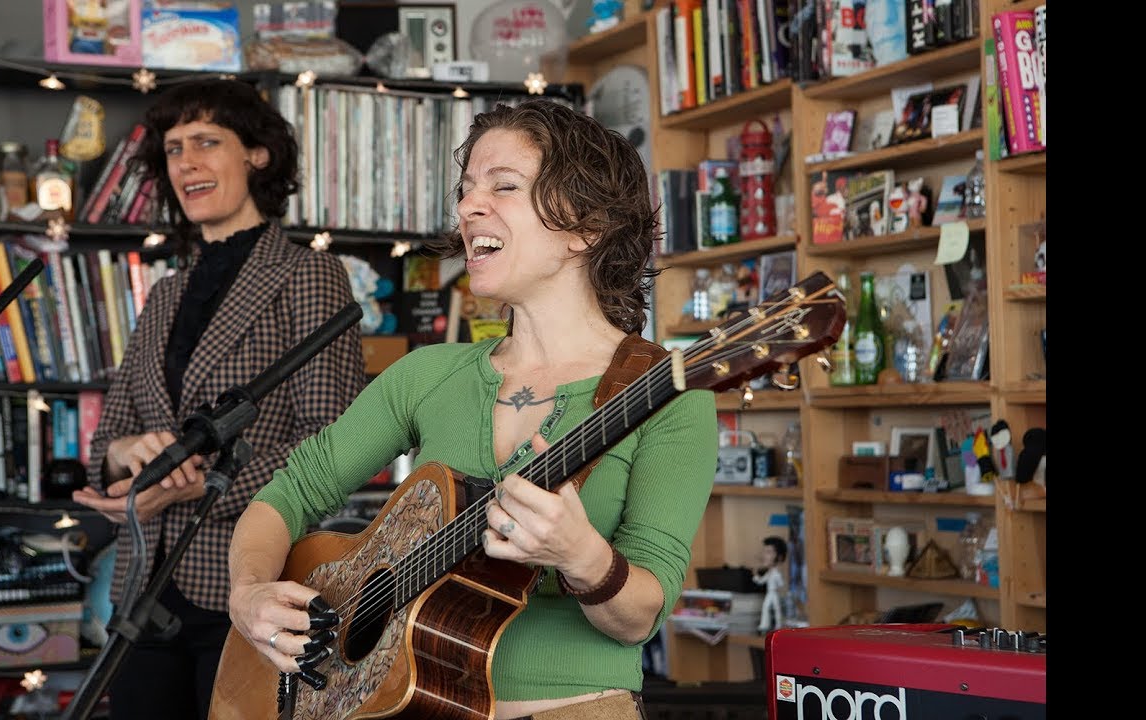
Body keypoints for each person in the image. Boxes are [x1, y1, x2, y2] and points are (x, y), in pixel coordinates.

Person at [223, 100, 719, 720]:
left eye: (504, 186)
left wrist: (581, 557)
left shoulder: (669, 394)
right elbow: (288, 493)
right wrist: (247, 593)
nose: (467, 208)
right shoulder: (429, 374)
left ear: (585, 226)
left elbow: (638, 617)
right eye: (466, 190)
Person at [72, 78, 366, 720]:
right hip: (144, 590)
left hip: (250, 584)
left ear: (257, 155)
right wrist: (130, 453)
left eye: (207, 142)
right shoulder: (164, 295)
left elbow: (331, 445)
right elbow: (106, 442)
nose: (187, 163)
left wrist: (191, 486)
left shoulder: (308, 275)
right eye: (175, 149)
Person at [754, 536, 788, 633]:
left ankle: (778, 625)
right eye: (764, 552)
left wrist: (781, 590)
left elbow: (781, 584)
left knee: (777, 609)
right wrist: (756, 576)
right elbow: (762, 581)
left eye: (768, 552)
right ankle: (764, 625)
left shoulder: (777, 573)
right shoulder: (769, 572)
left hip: (775, 593)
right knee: (766, 607)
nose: (764, 555)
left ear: (779, 556)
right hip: (770, 593)